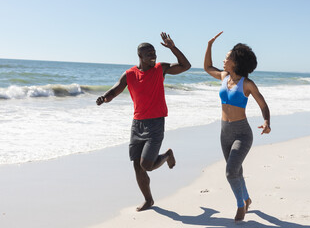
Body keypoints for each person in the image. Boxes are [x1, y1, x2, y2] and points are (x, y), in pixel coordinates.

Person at [96, 32, 191, 211]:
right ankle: (149, 200)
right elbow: (116, 90)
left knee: (146, 165)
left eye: (154, 53)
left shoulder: (160, 69)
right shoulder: (130, 74)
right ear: (140, 56)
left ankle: (166, 156)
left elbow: (186, 66)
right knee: (137, 166)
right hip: (137, 124)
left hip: (156, 123)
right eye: (149, 54)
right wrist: (104, 97)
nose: (153, 56)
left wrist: (172, 48)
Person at [204, 31, 271, 222]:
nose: (223, 61)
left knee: (230, 171)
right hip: (224, 133)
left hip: (242, 133)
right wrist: (209, 45)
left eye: (226, 58)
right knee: (237, 171)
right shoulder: (224, 76)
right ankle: (247, 198)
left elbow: (263, 104)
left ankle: (240, 206)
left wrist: (267, 122)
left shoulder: (247, 84)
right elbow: (207, 67)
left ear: (235, 62)